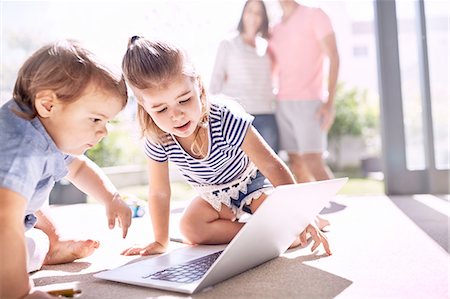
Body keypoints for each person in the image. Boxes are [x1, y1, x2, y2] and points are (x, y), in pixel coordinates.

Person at [119, 37, 330, 258]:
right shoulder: (157, 136)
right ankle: (258, 234)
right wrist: (160, 241)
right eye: (161, 109)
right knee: (190, 228)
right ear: (144, 106)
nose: (176, 115)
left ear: (197, 85)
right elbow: (160, 192)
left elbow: (271, 164)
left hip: (253, 185)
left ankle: (304, 220)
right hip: (215, 196)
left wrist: (300, 215)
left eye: (184, 100)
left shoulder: (225, 116)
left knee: (291, 232)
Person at [0, 39, 132, 298]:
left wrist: (111, 197)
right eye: (95, 119)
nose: (103, 130)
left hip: (13, 221)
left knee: (35, 245)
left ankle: (51, 247)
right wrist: (22, 293)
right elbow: (5, 219)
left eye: (107, 122)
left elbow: (79, 168)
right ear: (48, 104)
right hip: (6, 220)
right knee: (17, 249)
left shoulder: (47, 131)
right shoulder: (21, 149)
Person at [268, 0, 340, 183]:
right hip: (282, 103)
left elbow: (334, 56)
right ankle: (309, 210)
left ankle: (334, 204)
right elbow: (273, 68)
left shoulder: (315, 14)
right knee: (296, 163)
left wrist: (329, 103)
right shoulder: (274, 28)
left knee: (313, 162)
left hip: (310, 102)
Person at [210, 0, 278, 152]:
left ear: (264, 18)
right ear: (243, 14)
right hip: (238, 117)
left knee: (270, 171)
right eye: (250, 11)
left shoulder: (266, 46)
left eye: (258, 13)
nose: (253, 16)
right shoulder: (228, 43)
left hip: (266, 114)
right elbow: (215, 83)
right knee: (240, 170)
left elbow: (272, 79)